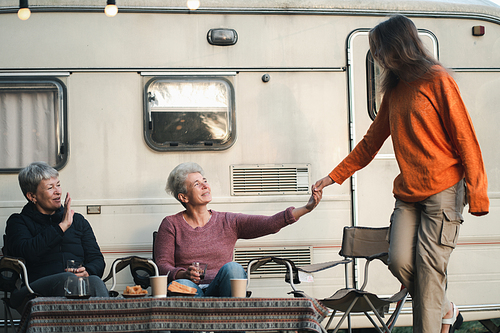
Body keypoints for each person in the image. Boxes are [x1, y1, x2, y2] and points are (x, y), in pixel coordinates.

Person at [313, 15, 489, 333]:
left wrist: (477, 192)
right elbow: (370, 142)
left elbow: (465, 137)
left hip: (444, 190)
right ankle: (445, 308)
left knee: (429, 270)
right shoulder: (395, 90)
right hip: (408, 193)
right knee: (398, 261)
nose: (377, 56)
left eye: (378, 49)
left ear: (398, 46)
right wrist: (333, 176)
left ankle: (435, 316)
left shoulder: (436, 80)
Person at [154, 162, 322, 297]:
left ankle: (232, 321)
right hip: (189, 291)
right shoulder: (171, 224)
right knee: (182, 285)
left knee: (233, 268)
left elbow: (270, 224)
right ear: (183, 197)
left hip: (221, 291)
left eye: (205, 181)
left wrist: (307, 208)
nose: (205, 186)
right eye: (197, 184)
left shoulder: (228, 221)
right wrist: (183, 274)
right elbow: (162, 265)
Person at [4, 161, 108, 312]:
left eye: (58, 185)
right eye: (50, 188)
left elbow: (97, 259)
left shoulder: (77, 220)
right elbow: (26, 252)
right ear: (32, 196)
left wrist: (88, 271)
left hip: (79, 285)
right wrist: (62, 227)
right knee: (69, 280)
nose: (58, 191)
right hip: (35, 288)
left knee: (95, 281)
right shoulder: (18, 222)